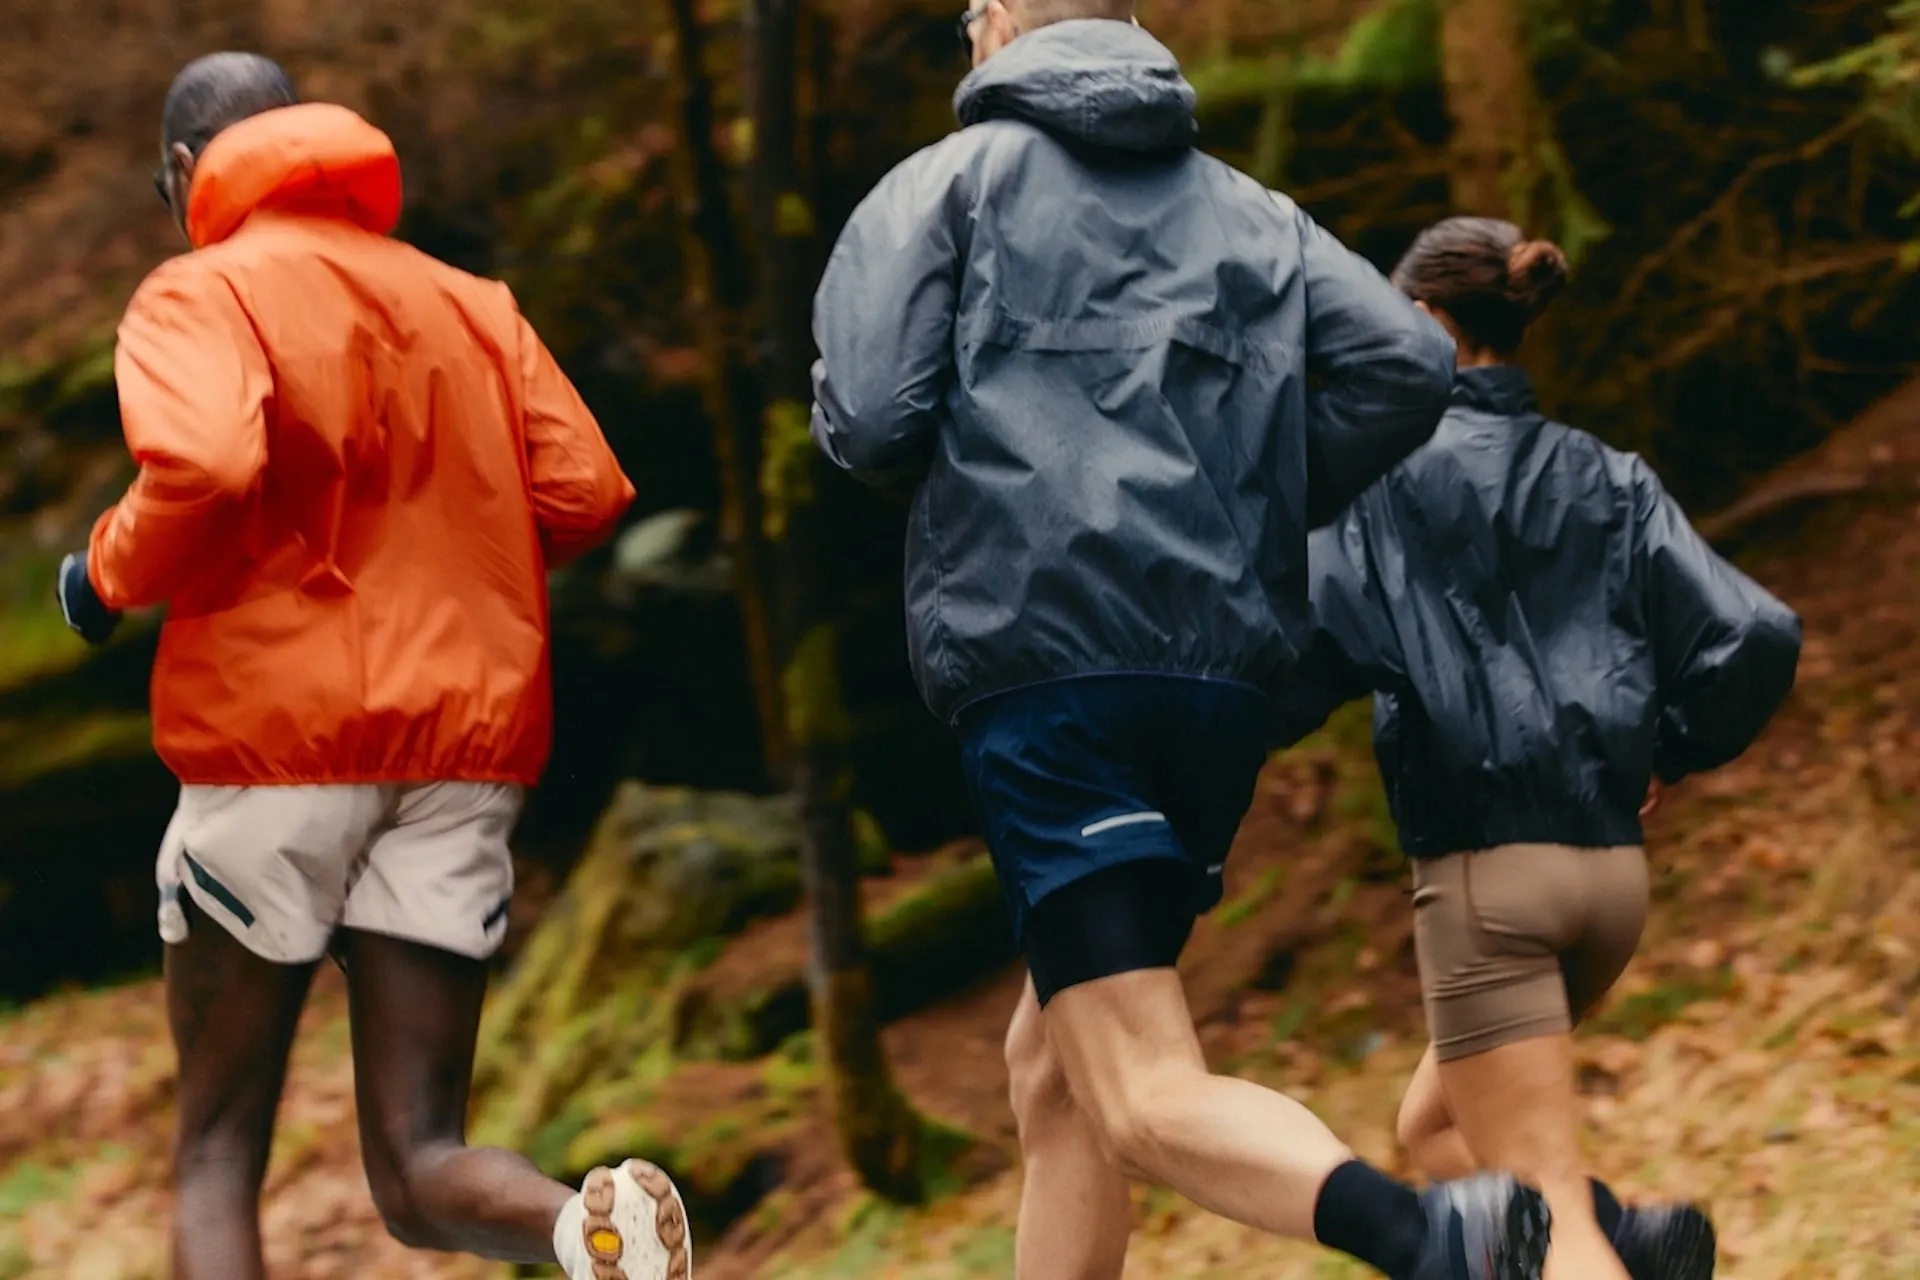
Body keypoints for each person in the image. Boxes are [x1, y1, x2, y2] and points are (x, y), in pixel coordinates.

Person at [810, 6, 1557, 1279]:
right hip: (1215, 685)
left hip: (1051, 671)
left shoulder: (942, 189)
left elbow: (875, 420)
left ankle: (1438, 1233)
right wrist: (1241, 498)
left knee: (1141, 1086)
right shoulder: (1251, 207)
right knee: (1052, 1066)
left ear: (991, 26)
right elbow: (1404, 365)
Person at [54, 53, 690, 1280]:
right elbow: (587, 487)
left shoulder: (199, 292)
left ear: (186, 170)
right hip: (462, 755)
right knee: (418, 1159)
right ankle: (579, 1224)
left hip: (271, 746)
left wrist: (102, 578)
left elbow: (205, 468)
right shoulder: (471, 301)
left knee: (216, 1149)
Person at [1271, 217, 1803, 1280]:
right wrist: (1667, 747)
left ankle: (1596, 1241)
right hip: (1608, 876)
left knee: (1544, 1211)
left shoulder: (1384, 481)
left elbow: (1302, 636)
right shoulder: (1607, 474)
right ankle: (1631, 1239)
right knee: (1437, 1132)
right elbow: (1756, 631)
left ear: (1421, 321)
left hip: (1489, 877)